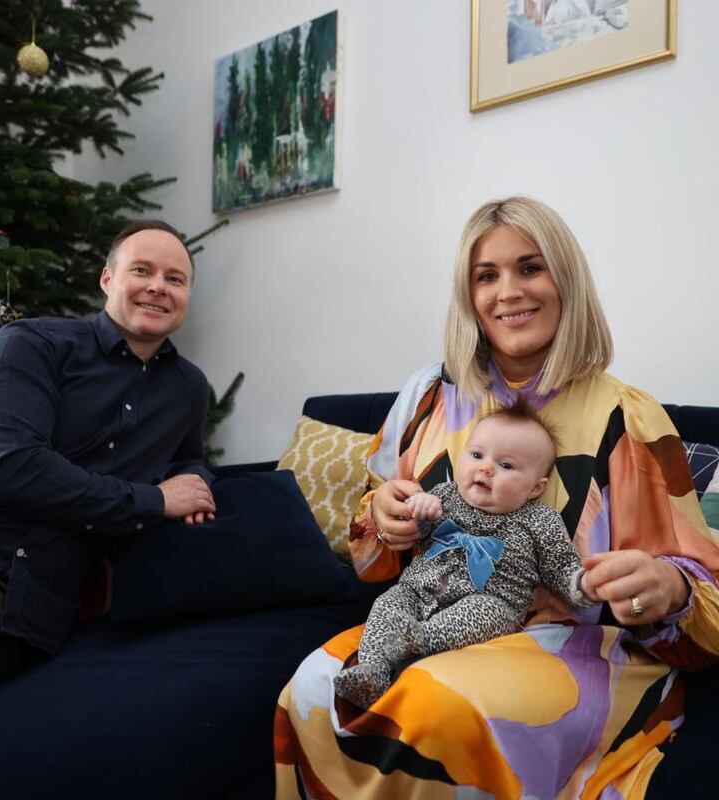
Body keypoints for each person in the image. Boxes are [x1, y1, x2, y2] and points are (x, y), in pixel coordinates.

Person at [274, 197, 719, 799]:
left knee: (431, 706)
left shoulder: (627, 416)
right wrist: (382, 518)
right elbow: (374, 517)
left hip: (573, 646)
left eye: (530, 268)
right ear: (469, 294)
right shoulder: (429, 395)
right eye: (487, 275)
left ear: (567, 279)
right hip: (431, 611)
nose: (508, 291)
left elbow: (702, 587)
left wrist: (667, 588)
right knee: (309, 685)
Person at [0, 219, 216, 727]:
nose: (157, 287)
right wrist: (152, 501)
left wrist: (197, 481)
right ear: (107, 279)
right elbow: (9, 472)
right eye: (141, 270)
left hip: (13, 614)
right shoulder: (30, 344)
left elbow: (186, 459)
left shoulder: (189, 390)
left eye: (175, 279)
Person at [333, 401, 597, 709]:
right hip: (417, 591)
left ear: (536, 488)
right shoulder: (445, 495)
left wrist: (582, 584)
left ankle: (418, 639)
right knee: (387, 604)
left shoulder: (540, 520)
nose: (485, 468)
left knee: (486, 612)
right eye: (477, 455)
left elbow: (560, 565)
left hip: (491, 599)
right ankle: (372, 671)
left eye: (506, 465)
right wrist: (419, 510)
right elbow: (411, 530)